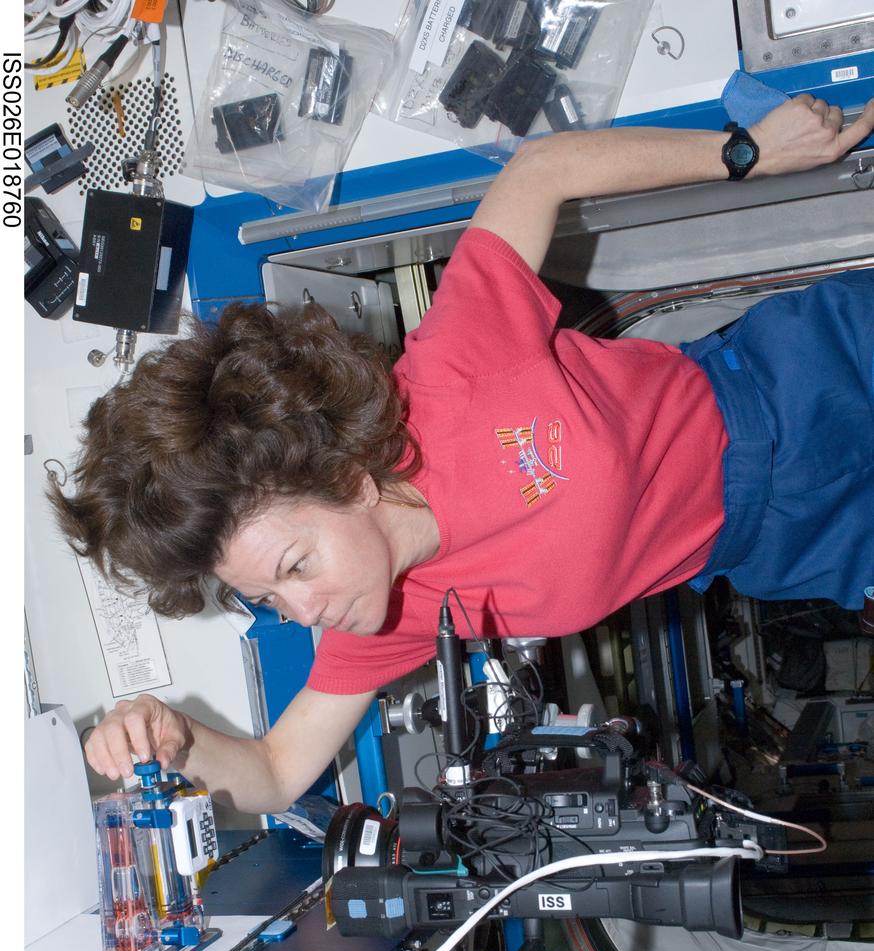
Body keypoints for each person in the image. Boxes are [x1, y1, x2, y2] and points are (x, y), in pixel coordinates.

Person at [51, 94, 874, 815]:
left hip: (805, 381)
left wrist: (746, 154)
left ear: (347, 479)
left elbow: (541, 170)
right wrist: (168, 735)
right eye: (269, 598)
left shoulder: (449, 375)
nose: (302, 613)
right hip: (792, 545)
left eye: (295, 565)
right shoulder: (389, 620)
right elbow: (273, 772)